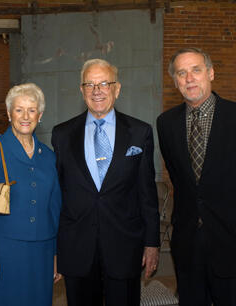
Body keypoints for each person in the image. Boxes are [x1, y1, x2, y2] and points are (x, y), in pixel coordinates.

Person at [157, 47, 236, 306]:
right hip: (188, 244)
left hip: (233, 239)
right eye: (181, 73)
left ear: (211, 73)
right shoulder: (166, 123)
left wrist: (235, 206)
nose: (189, 78)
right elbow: (179, 176)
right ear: (175, 81)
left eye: (196, 70)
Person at [51, 59, 160, 306]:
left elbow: (147, 193)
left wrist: (152, 243)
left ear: (117, 89)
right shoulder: (62, 134)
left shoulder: (140, 132)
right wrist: (54, 248)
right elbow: (56, 195)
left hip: (124, 246)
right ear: (82, 90)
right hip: (77, 247)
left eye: (104, 83)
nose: (96, 90)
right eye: (89, 84)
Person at [0, 83, 62, 306]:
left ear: (40, 115)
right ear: (10, 113)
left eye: (32, 110)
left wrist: (57, 254)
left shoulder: (48, 156)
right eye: (19, 109)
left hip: (43, 251)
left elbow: (55, 207)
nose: (25, 116)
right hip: (4, 251)